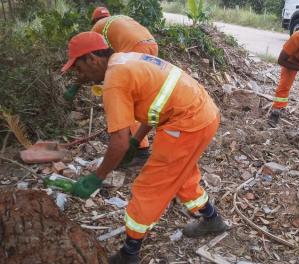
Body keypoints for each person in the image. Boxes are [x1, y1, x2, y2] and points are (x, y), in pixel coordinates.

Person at [61, 32, 228, 264]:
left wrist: (96, 178)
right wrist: (135, 140)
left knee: (149, 187)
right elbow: (154, 104)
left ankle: (130, 253)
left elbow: (117, 142)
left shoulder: (114, 80)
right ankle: (212, 219)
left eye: (79, 68)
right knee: (180, 174)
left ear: (92, 59)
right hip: (201, 113)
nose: (81, 76)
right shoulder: (125, 59)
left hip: (187, 122)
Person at [90, 6, 160, 164]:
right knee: (141, 93)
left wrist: (98, 80)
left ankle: (140, 149)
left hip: (135, 48)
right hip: (151, 45)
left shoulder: (96, 29)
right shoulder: (119, 20)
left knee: (128, 97)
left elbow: (95, 59)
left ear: (94, 21)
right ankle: (138, 141)